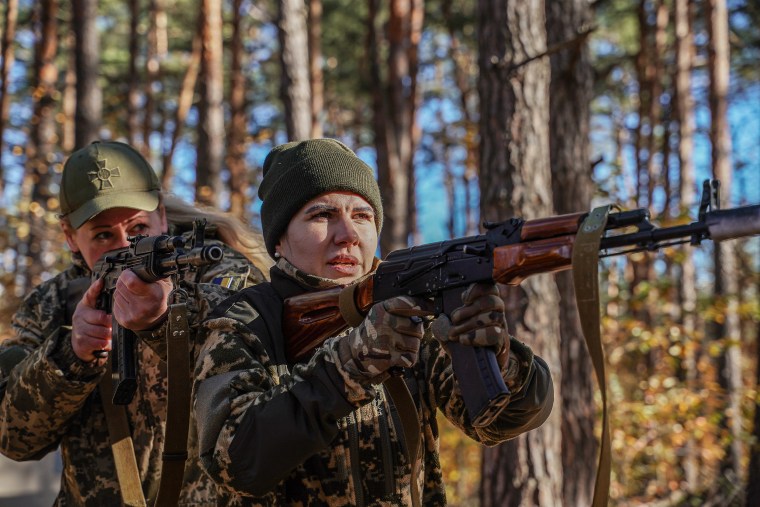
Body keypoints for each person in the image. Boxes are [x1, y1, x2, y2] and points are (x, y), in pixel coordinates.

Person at [193, 138, 554, 505]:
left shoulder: (409, 307)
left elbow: (498, 422)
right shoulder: (242, 321)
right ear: (279, 241)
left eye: (362, 216)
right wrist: (347, 367)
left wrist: (501, 360)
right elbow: (233, 463)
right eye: (322, 215)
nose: (348, 234)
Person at [0, 140, 269, 505]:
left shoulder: (222, 272)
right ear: (70, 237)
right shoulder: (52, 305)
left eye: (138, 226)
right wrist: (71, 355)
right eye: (103, 234)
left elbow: (254, 377)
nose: (125, 244)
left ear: (160, 213)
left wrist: (163, 323)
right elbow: (14, 441)